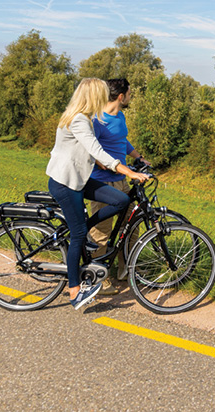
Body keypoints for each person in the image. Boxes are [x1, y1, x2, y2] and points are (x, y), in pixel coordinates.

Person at [46, 78, 149, 310]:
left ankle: (86, 231)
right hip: (67, 183)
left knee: (122, 200)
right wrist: (127, 171)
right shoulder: (80, 120)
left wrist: (131, 160)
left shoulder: (86, 118)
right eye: (102, 94)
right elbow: (96, 149)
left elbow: (107, 145)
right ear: (94, 95)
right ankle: (75, 291)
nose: (106, 98)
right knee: (79, 234)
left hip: (81, 180)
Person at [89, 78, 147, 295]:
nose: (131, 96)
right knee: (102, 231)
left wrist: (138, 157)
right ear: (121, 96)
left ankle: (127, 270)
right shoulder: (97, 121)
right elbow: (91, 150)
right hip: (103, 181)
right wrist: (112, 166)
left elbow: (123, 140)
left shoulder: (120, 116)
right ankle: (97, 278)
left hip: (122, 179)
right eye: (129, 93)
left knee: (131, 225)